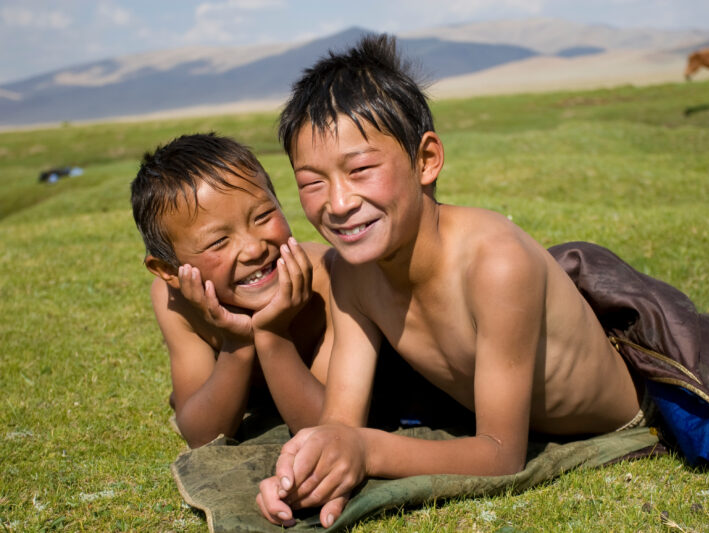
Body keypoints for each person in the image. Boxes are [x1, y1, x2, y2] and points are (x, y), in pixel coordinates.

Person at [255, 35, 647, 528]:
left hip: (612, 422)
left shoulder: (495, 264)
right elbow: (340, 422)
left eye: (360, 170)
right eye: (312, 182)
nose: (337, 203)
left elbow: (502, 454)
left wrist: (366, 450)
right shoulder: (352, 273)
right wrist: (297, 477)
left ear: (426, 160)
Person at [130, 133, 334, 448]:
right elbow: (201, 436)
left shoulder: (327, 278)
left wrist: (273, 333)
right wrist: (237, 343)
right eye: (218, 242)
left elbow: (328, 426)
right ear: (170, 271)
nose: (253, 249)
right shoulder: (176, 302)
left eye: (264, 216)